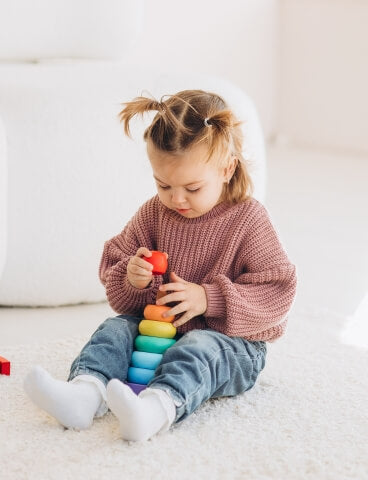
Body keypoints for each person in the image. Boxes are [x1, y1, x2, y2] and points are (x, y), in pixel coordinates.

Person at [24, 89, 297, 441]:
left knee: (200, 348)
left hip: (233, 347)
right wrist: (132, 278)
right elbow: (116, 265)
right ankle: (85, 393)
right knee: (115, 330)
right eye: (163, 184)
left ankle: (156, 408)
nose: (176, 198)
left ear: (227, 168)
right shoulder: (155, 212)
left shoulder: (249, 219)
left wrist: (207, 299)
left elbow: (277, 291)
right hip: (159, 334)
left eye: (193, 187)